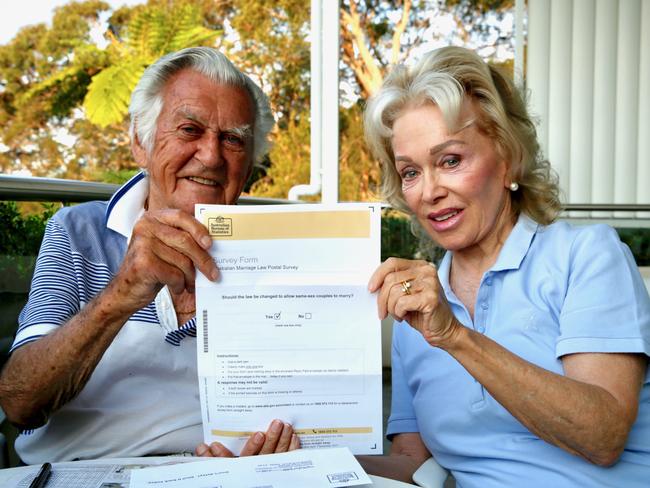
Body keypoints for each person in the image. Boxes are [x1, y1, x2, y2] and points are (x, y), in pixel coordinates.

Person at [360, 46, 650, 486]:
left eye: (450, 160)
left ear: (508, 157)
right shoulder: (412, 313)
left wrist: (455, 337)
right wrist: (302, 458)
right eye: (410, 172)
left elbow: (603, 436)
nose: (428, 191)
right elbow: (412, 467)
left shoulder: (586, 255)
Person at [0, 47, 298, 464]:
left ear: (248, 167)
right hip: (87, 472)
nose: (211, 156)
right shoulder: (78, 233)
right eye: (189, 130)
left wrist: (271, 449)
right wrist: (122, 294)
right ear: (140, 143)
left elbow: (307, 404)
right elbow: (20, 402)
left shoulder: (285, 257)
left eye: (232, 139)